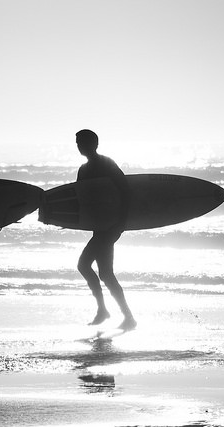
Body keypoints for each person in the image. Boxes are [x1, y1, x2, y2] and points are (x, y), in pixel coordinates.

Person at [75, 129, 137, 331]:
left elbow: (125, 192)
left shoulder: (107, 164)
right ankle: (127, 317)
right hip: (99, 227)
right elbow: (81, 200)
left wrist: (121, 222)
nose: (79, 146)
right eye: (77, 143)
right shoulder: (83, 170)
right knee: (106, 274)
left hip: (110, 227)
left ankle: (105, 310)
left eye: (81, 142)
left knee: (84, 265)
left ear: (93, 144)